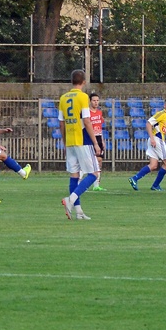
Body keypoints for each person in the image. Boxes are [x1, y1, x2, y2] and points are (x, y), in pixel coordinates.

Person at [60, 70, 101, 220]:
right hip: (82, 138)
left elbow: (61, 122)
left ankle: (78, 212)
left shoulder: (63, 98)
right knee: (94, 173)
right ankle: (70, 200)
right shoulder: (83, 97)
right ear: (84, 81)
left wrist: (65, 141)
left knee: (75, 175)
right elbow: (87, 120)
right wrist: (95, 142)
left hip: (70, 139)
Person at [128, 98, 166, 191]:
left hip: (156, 140)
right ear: (164, 105)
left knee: (153, 165)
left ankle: (134, 178)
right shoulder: (161, 114)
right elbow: (148, 123)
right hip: (157, 139)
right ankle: (156, 185)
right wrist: (152, 138)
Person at [89, 93, 106, 191]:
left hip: (98, 137)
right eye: (94, 100)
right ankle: (79, 182)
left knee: (99, 160)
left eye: (97, 100)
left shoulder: (99, 113)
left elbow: (100, 127)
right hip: (90, 138)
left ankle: (96, 185)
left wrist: (102, 140)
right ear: (90, 101)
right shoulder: (87, 113)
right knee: (88, 162)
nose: (96, 102)